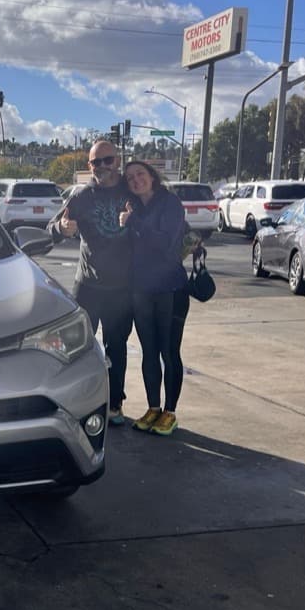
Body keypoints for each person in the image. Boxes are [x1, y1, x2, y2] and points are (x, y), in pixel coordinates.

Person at [48, 141, 135, 425]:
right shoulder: (82, 196)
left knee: (116, 347)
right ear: (89, 167)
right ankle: (75, 403)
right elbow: (52, 228)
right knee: (75, 348)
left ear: (118, 161)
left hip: (122, 287)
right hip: (87, 285)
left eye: (107, 160)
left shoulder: (131, 190)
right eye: (95, 162)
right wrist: (61, 228)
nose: (101, 167)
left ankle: (115, 404)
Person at [119, 161, 189, 436]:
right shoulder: (132, 207)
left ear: (152, 176)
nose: (136, 180)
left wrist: (132, 222)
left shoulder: (169, 204)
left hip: (171, 290)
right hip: (141, 290)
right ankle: (153, 407)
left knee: (169, 352)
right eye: (130, 178)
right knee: (149, 352)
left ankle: (170, 411)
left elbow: (165, 243)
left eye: (140, 174)